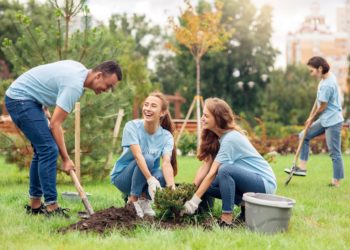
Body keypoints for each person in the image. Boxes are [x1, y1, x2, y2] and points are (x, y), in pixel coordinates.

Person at [5, 60, 122, 217]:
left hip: (30, 100)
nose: (107, 90)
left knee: (42, 151)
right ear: (99, 75)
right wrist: (66, 159)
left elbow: (48, 79)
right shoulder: (74, 85)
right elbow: (55, 125)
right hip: (21, 99)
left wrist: (44, 106)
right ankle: (52, 207)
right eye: (108, 85)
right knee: (48, 149)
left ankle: (35, 206)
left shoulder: (79, 69)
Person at [181, 98, 277, 226]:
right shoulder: (217, 137)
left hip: (264, 184)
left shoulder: (230, 139)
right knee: (208, 186)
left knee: (224, 170)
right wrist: (189, 192)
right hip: (250, 183)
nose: (202, 118)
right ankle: (247, 209)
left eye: (206, 116)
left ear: (218, 118)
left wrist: (193, 203)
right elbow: (206, 166)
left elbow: (213, 172)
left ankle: (226, 218)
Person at [110, 91, 177, 218]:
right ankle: (132, 200)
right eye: (146, 105)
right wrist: (150, 179)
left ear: (162, 112)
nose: (147, 108)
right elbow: (138, 156)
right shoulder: (132, 126)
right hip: (123, 177)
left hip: (144, 176)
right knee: (148, 158)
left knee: (163, 176)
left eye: (153, 106)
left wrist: (172, 189)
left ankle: (143, 200)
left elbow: (166, 163)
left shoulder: (166, 136)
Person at [285, 56, 344, 187]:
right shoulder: (326, 77)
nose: (311, 74)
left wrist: (312, 118)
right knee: (303, 135)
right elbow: (318, 102)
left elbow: (322, 106)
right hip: (325, 119)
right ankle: (302, 167)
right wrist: (310, 117)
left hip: (333, 121)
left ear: (320, 69)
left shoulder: (328, 84)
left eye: (312, 71)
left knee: (334, 152)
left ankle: (336, 182)